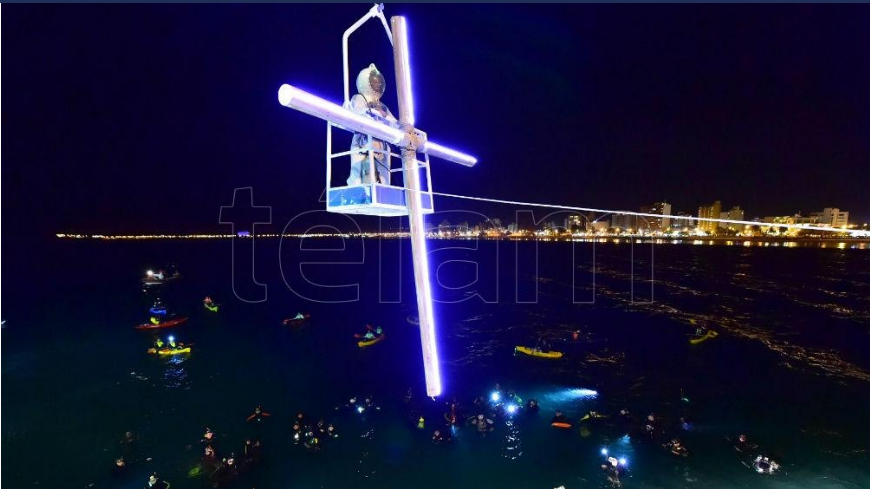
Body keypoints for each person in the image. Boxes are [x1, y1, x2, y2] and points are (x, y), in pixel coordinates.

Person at [346, 64, 397, 186]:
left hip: (381, 145)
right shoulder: (359, 98)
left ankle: (384, 189)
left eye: (378, 82)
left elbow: (394, 122)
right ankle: (357, 188)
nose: (377, 84)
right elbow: (359, 113)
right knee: (359, 172)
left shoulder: (383, 106)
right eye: (373, 82)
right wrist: (375, 114)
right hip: (363, 142)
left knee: (384, 176)